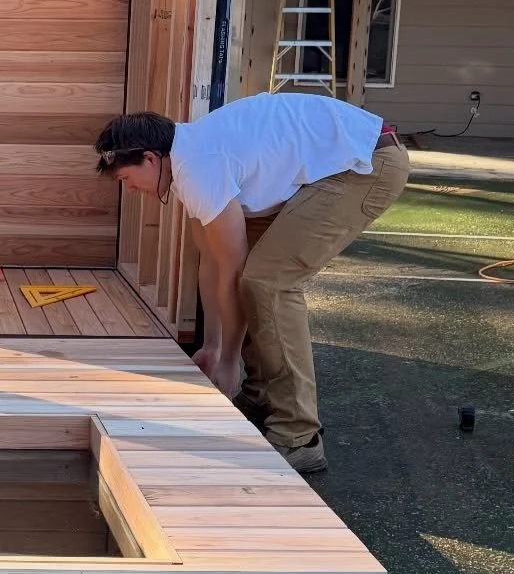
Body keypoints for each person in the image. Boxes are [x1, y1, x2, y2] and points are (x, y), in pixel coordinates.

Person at [95, 92, 409, 474]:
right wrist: (211, 345)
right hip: (332, 166)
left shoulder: (199, 164)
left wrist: (228, 359)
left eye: (127, 179)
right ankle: (260, 395)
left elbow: (233, 265)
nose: (130, 189)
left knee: (267, 283)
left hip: (364, 166)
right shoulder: (184, 162)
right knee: (243, 273)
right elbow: (211, 262)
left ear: (149, 158)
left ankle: (299, 437)